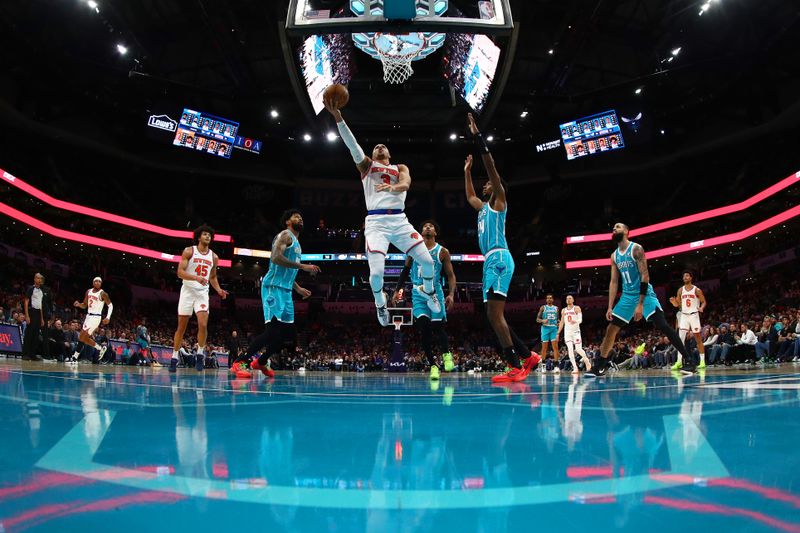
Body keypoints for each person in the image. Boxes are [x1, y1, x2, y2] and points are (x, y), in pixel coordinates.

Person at [324, 97, 441, 327]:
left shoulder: (400, 168)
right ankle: (380, 304)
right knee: (376, 275)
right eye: (375, 146)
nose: (379, 147)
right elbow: (352, 144)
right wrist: (338, 117)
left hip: (399, 220)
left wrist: (393, 187)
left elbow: (406, 184)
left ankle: (429, 292)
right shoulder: (366, 166)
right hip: (376, 223)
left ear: (388, 153)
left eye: (383, 146)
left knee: (428, 263)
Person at [463, 113, 540, 383]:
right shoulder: (483, 208)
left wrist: (477, 137)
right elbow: (470, 196)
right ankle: (528, 356)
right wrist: (467, 172)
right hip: (490, 261)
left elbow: (492, 168)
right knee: (493, 316)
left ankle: (515, 365)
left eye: (490, 183)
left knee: (495, 315)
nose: (486, 184)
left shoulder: (498, 203)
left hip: (499, 258)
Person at [586, 223, 692, 377]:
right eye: (613, 228)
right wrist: (610, 306)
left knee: (662, 325)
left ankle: (689, 360)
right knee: (611, 329)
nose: (614, 229)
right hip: (627, 296)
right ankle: (600, 366)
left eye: (618, 227)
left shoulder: (636, 249)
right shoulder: (614, 256)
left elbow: (645, 276)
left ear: (627, 231)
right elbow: (614, 281)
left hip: (645, 294)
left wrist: (640, 304)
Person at [241, 209, 319, 378]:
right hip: (272, 287)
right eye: (296, 217)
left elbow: (287, 271)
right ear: (287, 222)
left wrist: (297, 288)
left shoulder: (297, 244)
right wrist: (304, 267)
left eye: (301, 217)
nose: (300, 219)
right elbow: (276, 258)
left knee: (289, 334)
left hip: (285, 291)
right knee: (272, 331)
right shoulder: (285, 235)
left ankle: (261, 362)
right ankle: (241, 362)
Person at [391, 220, 457, 381]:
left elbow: (450, 275)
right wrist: (397, 290)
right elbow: (405, 271)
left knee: (438, 327)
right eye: (424, 226)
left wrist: (452, 294)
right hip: (418, 294)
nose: (427, 227)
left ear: (435, 233)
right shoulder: (413, 250)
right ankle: (433, 365)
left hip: (436, 293)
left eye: (431, 226)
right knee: (425, 330)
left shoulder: (443, 252)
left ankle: (446, 355)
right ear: (421, 233)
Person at [169, 226, 228, 373]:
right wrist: (195, 277)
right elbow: (180, 272)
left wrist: (219, 290)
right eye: (205, 234)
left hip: (202, 293)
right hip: (187, 291)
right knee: (181, 328)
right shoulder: (189, 251)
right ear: (198, 237)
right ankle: (174, 357)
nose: (207, 236)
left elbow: (212, 277)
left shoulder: (214, 257)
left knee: (203, 324)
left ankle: (200, 353)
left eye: (209, 235)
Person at [669, 271, 708, 370]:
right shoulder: (680, 290)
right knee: (680, 340)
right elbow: (677, 305)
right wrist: (674, 302)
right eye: (683, 276)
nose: (685, 277)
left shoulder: (696, 290)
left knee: (698, 338)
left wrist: (701, 308)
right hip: (684, 316)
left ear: (691, 278)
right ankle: (679, 362)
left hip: (694, 315)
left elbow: (703, 302)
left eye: (687, 276)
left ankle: (702, 361)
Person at [70, 277, 113, 363]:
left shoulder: (103, 293)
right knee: (84, 338)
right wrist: (79, 304)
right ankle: (100, 348)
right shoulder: (88, 291)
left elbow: (110, 305)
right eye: (96, 281)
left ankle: (74, 357)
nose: (97, 283)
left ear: (101, 284)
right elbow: (85, 305)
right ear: (93, 283)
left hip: (96, 317)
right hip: (88, 316)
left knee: (82, 336)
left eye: (99, 282)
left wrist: (108, 317)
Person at [557, 295, 592, 374]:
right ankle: (575, 368)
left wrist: (575, 321)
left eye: (570, 298)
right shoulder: (563, 310)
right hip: (567, 332)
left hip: (576, 332)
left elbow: (580, 320)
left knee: (578, 349)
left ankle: (587, 361)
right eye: (567, 299)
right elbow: (562, 322)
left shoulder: (577, 308)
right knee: (570, 350)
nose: (568, 300)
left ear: (573, 300)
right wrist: (558, 332)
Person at [22, 273, 53, 361]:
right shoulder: (31, 289)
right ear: (35, 279)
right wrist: (27, 316)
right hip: (32, 312)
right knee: (29, 334)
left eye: (41, 279)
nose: (39, 280)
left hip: (39, 314)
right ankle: (25, 354)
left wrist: (42, 319)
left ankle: (32, 354)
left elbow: (40, 306)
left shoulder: (41, 291)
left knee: (36, 335)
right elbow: (26, 302)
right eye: (38, 278)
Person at [537, 294, 559, 369]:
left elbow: (557, 319)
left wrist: (559, 322)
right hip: (545, 329)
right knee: (544, 348)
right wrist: (543, 320)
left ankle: (556, 366)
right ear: (546, 300)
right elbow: (537, 319)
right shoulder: (543, 307)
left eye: (550, 298)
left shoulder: (556, 308)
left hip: (553, 329)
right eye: (548, 298)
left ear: (553, 300)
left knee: (555, 347)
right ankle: (543, 366)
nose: (549, 299)